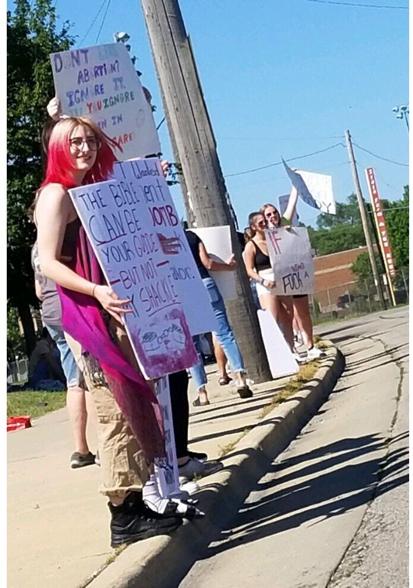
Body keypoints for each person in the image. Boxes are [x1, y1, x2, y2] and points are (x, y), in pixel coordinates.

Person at [33, 115, 186, 547]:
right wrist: (96, 290)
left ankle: (135, 503)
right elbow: (47, 262)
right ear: (58, 148)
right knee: (113, 410)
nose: (83, 148)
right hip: (87, 315)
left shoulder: (91, 190)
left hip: (114, 310)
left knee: (132, 402)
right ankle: (123, 514)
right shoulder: (56, 194)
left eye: (89, 141)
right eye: (74, 142)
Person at [32, 243, 95, 468]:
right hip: (71, 309)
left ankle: (82, 448)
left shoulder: (36, 249)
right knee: (87, 379)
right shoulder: (64, 238)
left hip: (50, 313)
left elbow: (39, 291)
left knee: (73, 380)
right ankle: (95, 445)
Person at [184, 228, 252, 404]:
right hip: (206, 285)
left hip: (184, 292)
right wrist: (229, 267)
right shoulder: (192, 236)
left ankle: (202, 392)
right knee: (224, 334)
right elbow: (208, 263)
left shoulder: (161, 242)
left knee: (194, 344)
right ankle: (240, 376)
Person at [262, 195, 321, 361]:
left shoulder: (285, 226)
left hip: (295, 275)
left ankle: (310, 345)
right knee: (285, 316)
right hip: (277, 281)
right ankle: (289, 350)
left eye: (274, 212)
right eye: (268, 214)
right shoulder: (264, 236)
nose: (273, 216)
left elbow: (291, 207)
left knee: (302, 312)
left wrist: (295, 186)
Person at [243, 211, 298, 361]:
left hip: (280, 278)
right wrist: (262, 281)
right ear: (253, 226)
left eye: (265, 221)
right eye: (260, 223)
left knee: (288, 314)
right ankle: (277, 356)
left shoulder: (273, 239)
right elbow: (248, 270)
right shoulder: (251, 246)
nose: (264, 224)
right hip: (265, 283)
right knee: (273, 318)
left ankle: (291, 349)